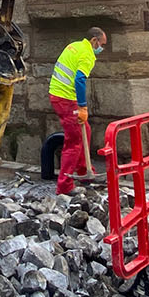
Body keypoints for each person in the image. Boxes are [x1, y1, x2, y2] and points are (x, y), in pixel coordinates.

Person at [48, 27, 105, 195]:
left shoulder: (74, 46)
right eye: (102, 44)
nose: (102, 48)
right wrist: (82, 107)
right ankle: (64, 186)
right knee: (74, 141)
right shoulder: (88, 54)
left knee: (84, 131)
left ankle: (85, 172)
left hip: (58, 93)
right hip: (66, 98)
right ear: (94, 41)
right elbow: (79, 80)